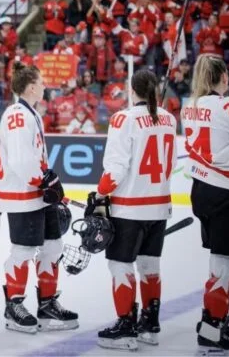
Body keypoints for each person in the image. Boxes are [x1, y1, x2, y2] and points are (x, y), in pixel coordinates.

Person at [85, 70, 176, 350]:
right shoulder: (169, 119)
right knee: (150, 266)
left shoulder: (123, 118)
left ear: (131, 89)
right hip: (159, 207)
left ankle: (125, 326)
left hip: (129, 209)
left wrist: (99, 194)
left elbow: (115, 170)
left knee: (120, 265)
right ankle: (150, 325)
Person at [0, 62, 78, 334]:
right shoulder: (18, 114)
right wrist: (44, 181)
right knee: (23, 250)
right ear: (31, 86)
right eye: (41, 82)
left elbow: (34, 158)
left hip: (37, 195)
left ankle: (46, 304)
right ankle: (14, 304)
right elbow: (21, 160)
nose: (44, 86)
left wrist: (48, 182)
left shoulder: (32, 114)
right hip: (22, 195)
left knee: (53, 246)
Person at [181, 54, 229, 354]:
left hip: (202, 191)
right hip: (228, 193)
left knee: (219, 261)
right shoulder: (228, 105)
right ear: (223, 78)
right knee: (225, 263)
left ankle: (215, 320)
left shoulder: (191, 106)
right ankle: (211, 329)